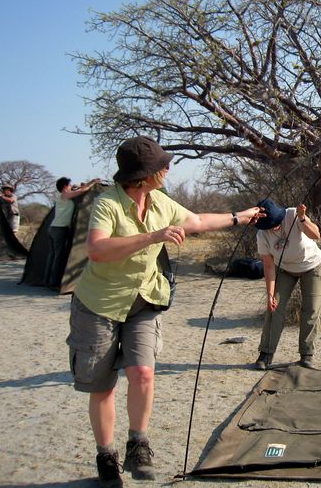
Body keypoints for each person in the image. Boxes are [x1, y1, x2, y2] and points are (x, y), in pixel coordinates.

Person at [67, 136, 262, 487]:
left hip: (144, 301)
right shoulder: (107, 203)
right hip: (99, 305)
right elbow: (96, 250)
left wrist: (240, 217)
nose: (168, 168)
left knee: (142, 372)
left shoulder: (161, 201)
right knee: (103, 387)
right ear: (144, 175)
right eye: (162, 165)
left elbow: (198, 220)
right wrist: (152, 236)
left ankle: (138, 443)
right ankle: (106, 456)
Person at [254, 198, 321, 370]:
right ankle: (266, 353)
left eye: (276, 222)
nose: (275, 227)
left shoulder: (293, 214)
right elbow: (269, 266)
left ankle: (306, 354)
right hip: (284, 269)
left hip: (311, 265)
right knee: (274, 307)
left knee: (312, 307)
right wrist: (270, 294)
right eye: (270, 225)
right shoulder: (262, 235)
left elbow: (316, 235)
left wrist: (303, 219)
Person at [45, 177, 103, 289]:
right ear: (65, 187)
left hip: (53, 228)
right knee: (57, 256)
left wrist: (83, 185)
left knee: (51, 256)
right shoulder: (65, 195)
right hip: (59, 229)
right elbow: (82, 191)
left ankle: (47, 281)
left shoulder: (62, 196)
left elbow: (79, 189)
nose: (71, 186)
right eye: (70, 185)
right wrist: (93, 182)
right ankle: (54, 283)